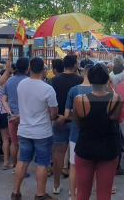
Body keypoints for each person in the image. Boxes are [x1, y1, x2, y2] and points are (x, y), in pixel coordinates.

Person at [73, 63, 122, 200]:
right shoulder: (116, 99)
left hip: (85, 147)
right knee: (104, 193)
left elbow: (78, 123)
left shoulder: (79, 100)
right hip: (108, 148)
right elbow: (115, 119)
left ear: (89, 78)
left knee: (82, 192)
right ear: (107, 79)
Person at [12, 57, 58, 200]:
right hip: (42, 131)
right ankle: (40, 194)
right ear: (44, 70)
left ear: (29, 69)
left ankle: (15, 192)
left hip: (24, 129)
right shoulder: (48, 89)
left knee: (23, 160)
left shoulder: (21, 85)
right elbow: (54, 113)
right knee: (43, 163)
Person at [50, 55, 83, 194]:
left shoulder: (52, 80)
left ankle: (56, 184)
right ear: (75, 65)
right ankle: (73, 187)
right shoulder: (81, 81)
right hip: (76, 121)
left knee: (58, 153)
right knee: (76, 154)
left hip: (57, 120)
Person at [64, 64, 94, 200]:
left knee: (73, 166)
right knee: (92, 166)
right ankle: (88, 192)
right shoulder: (99, 90)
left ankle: (72, 194)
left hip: (75, 134)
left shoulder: (73, 90)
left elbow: (66, 114)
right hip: (93, 135)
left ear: (83, 74)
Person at [2, 57, 29, 170]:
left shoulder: (9, 81)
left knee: (14, 142)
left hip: (11, 116)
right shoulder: (28, 81)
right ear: (28, 68)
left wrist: (10, 113)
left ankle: (14, 166)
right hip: (25, 117)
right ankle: (20, 169)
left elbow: (4, 100)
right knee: (22, 143)